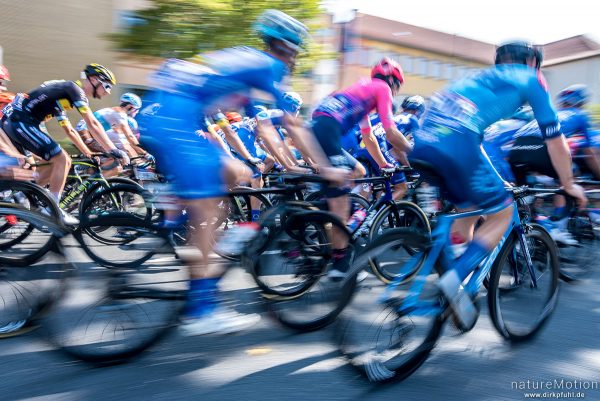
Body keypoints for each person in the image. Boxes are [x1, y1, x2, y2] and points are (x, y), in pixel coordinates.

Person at [137, 9, 330, 336]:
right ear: (285, 48)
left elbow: (266, 130)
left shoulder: (250, 71)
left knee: (234, 174)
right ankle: (201, 309)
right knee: (211, 203)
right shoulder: (267, 66)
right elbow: (292, 124)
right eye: (296, 52)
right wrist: (324, 169)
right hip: (175, 120)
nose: (296, 60)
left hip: (168, 114)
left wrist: (292, 164)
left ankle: (179, 217)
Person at [408, 41, 587, 329]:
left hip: (424, 143)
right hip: (457, 141)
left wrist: (497, 178)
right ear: (532, 61)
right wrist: (568, 183)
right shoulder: (532, 78)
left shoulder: (477, 79)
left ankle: (453, 269)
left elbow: (478, 139)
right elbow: (555, 140)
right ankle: (453, 284)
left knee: (467, 210)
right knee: (502, 215)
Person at [311, 57, 413, 279]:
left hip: (320, 127)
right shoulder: (383, 88)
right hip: (327, 128)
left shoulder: (364, 89)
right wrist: (415, 153)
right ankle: (340, 263)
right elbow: (391, 132)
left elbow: (368, 137)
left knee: (359, 171)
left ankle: (321, 207)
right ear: (394, 82)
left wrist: (383, 164)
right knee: (340, 200)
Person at [0, 64, 128, 224]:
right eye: (107, 86)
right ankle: (52, 209)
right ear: (94, 79)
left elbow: (70, 131)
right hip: (20, 122)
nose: (108, 91)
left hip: (14, 122)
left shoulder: (61, 101)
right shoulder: (74, 89)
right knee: (63, 159)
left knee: (49, 163)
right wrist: (113, 149)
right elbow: (92, 123)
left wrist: (87, 153)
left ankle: (24, 195)